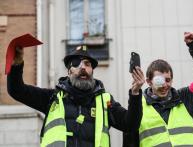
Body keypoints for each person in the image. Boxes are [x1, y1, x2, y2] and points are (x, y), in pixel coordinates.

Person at [7, 45, 145, 147]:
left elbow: (130, 125)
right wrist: (16, 65)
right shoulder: (52, 98)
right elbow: (17, 90)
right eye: (76, 63)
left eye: (87, 63)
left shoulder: (105, 101)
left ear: (92, 71)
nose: (82, 67)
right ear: (69, 71)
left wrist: (135, 93)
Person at [123, 32, 193, 147]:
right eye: (159, 81)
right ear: (149, 82)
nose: (164, 85)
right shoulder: (137, 107)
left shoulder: (185, 97)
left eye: (168, 80)